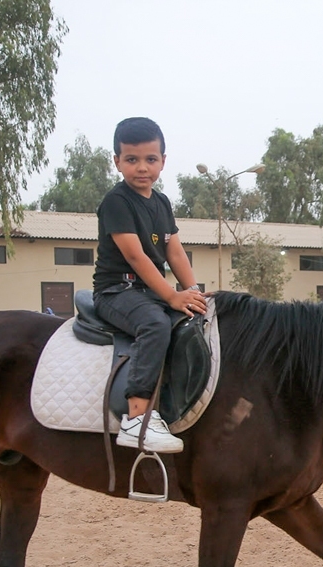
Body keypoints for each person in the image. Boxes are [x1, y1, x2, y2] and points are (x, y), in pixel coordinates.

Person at [92, 117, 208, 453]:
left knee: (196, 319)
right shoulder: (117, 202)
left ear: (162, 161)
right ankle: (137, 420)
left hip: (145, 291)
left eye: (150, 159)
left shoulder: (161, 203)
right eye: (131, 159)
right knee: (155, 324)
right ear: (117, 161)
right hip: (117, 291)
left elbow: (174, 250)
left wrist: (194, 292)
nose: (142, 168)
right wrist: (172, 295)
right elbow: (136, 257)